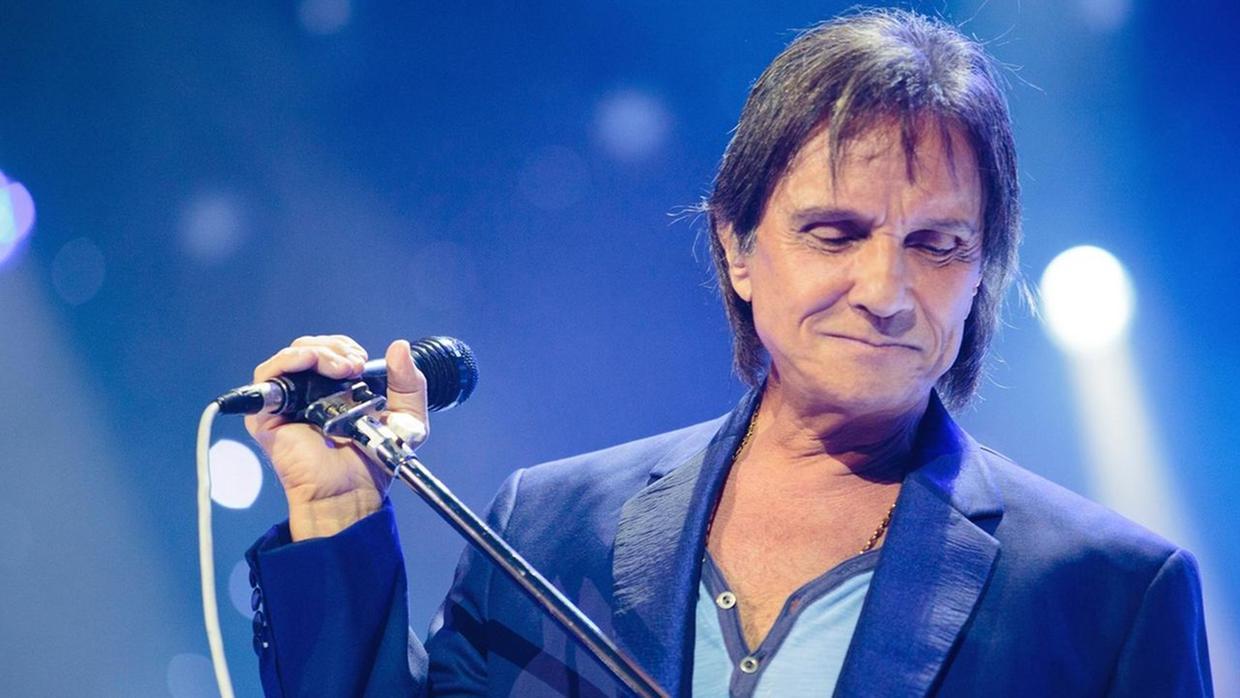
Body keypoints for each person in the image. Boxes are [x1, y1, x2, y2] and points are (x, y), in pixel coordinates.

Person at [243, 9, 1212, 697]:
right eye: (835, 233)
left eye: (937, 243)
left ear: (982, 273)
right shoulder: (548, 526)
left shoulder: (1109, 595)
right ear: (737, 247)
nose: (885, 290)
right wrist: (336, 514)